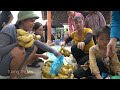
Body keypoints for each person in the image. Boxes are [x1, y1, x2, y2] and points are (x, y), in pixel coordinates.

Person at [0, 11, 61, 79]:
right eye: (31, 21)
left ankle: (21, 71)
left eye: (34, 21)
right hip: (2, 67)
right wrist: (17, 43)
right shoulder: (8, 29)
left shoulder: (27, 33)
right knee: (19, 49)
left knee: (33, 47)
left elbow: (39, 43)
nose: (33, 24)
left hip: (12, 66)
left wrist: (55, 52)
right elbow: (1, 51)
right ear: (23, 20)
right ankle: (13, 76)